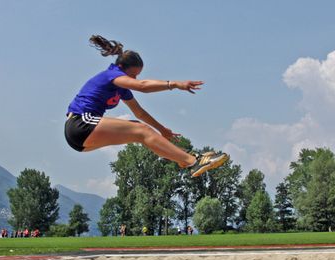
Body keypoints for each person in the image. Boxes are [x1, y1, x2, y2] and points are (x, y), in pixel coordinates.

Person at [64, 35, 228, 177]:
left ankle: (184, 159)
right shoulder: (111, 75)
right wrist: (175, 84)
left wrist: (162, 130)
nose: (135, 79)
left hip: (82, 143)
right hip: (80, 123)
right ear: (122, 68)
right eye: (134, 74)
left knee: (142, 134)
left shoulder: (121, 89)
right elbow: (142, 86)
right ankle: (194, 161)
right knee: (141, 130)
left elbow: (139, 112)